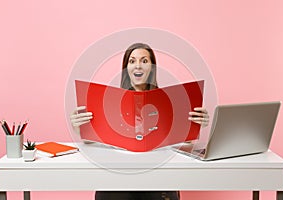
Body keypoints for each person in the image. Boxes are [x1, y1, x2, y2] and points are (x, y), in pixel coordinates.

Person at [70, 43, 209, 200]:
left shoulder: (170, 102)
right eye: (132, 61)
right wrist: (79, 127)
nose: (138, 66)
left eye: (144, 61)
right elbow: (93, 143)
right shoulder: (107, 101)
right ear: (126, 68)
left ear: (152, 67)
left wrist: (196, 124)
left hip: (156, 174)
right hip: (119, 174)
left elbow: (185, 144)